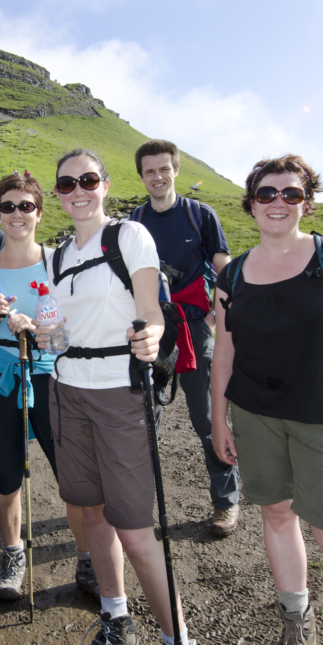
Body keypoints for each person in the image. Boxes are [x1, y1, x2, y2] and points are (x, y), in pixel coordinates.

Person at [211, 155, 323, 645]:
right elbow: (224, 352)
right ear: (251, 204)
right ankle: (297, 618)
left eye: (291, 194)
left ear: (306, 204)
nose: (278, 202)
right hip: (254, 415)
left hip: (322, 416)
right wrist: (219, 420)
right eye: (267, 193)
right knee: (276, 514)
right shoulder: (235, 274)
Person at [38, 149, 196, 645]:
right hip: (67, 392)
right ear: (58, 194)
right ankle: (116, 618)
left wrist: (151, 335)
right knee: (90, 511)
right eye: (66, 184)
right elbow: (62, 334)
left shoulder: (129, 236)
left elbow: (151, 312)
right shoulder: (58, 255)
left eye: (87, 180)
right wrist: (49, 338)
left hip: (119, 395)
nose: (78, 191)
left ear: (104, 184)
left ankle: (178, 640)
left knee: (134, 528)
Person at [0, 172, 96, 601]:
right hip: (1, 375)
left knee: (73, 478)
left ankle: (87, 558)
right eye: (8, 206)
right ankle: (13, 554)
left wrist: (42, 331)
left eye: (26, 206)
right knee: (8, 476)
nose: (17, 215)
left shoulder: (60, 262)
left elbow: (73, 335)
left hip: (53, 376)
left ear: (39, 211)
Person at [132, 139, 240, 537]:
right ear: (141, 176)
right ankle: (137, 503)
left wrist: (216, 315)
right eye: (149, 171)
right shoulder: (135, 220)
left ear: (175, 170)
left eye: (163, 169)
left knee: (207, 416)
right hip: (151, 325)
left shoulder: (200, 215)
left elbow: (223, 266)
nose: (157, 177)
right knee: (145, 416)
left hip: (195, 325)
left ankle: (226, 502)